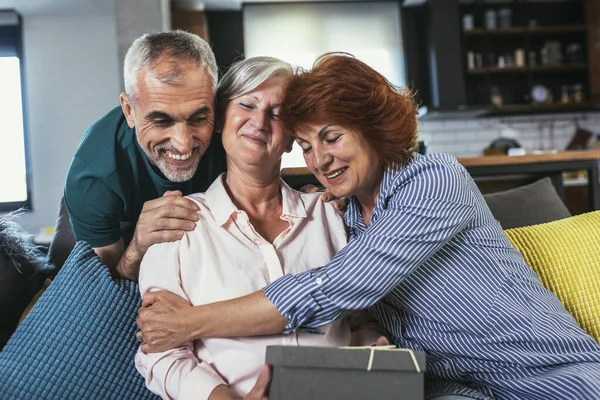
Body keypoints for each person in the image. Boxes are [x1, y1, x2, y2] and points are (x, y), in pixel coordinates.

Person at [137, 53, 600, 400]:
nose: (319, 159)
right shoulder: (344, 219)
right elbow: (368, 324)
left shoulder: (430, 181)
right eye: (308, 145)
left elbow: (334, 291)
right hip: (458, 390)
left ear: (373, 128)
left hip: (553, 379)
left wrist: (188, 323)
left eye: (332, 137)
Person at [134, 56, 387, 400]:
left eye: (277, 113)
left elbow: (360, 320)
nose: (260, 122)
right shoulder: (178, 223)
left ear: (292, 138)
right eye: (247, 104)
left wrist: (374, 349)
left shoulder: (329, 213)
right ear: (220, 119)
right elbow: (162, 352)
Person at [64, 30, 226, 281]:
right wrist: (137, 248)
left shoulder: (235, 134)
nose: (183, 144)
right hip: (115, 219)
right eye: (161, 121)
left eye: (199, 118)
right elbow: (108, 285)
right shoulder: (93, 176)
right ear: (129, 111)